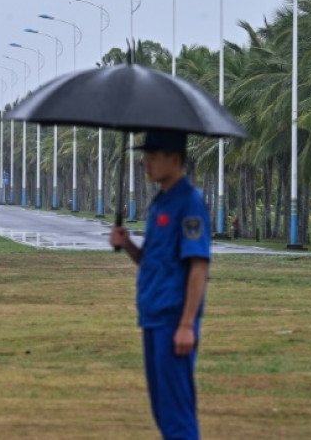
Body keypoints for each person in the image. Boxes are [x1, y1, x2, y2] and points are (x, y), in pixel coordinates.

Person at [109, 130, 211, 440]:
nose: (146, 163)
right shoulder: (160, 204)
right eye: (145, 156)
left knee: (176, 413)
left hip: (172, 320)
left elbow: (198, 266)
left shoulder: (189, 203)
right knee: (162, 410)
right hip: (153, 316)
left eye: (153, 157)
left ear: (175, 159)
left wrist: (186, 324)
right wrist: (127, 245)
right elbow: (152, 261)